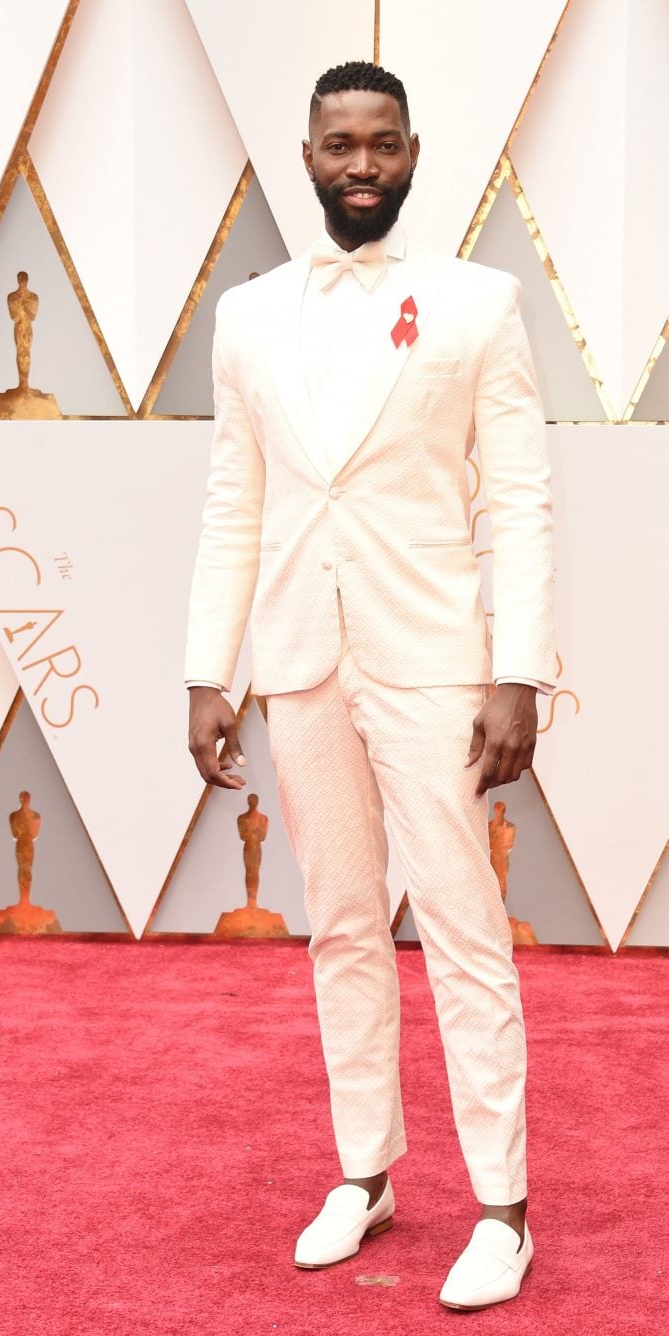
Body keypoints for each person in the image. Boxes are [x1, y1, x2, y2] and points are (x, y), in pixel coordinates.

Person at [185, 60, 555, 1311]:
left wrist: (519, 671)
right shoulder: (248, 315)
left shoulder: (478, 305)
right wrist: (206, 667)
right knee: (343, 922)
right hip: (300, 661)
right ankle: (368, 1171)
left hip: (436, 659)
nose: (360, 163)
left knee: (459, 927)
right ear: (306, 156)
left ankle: (504, 1206)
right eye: (338, 143)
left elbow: (522, 499)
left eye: (381, 144)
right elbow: (238, 501)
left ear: (411, 153)